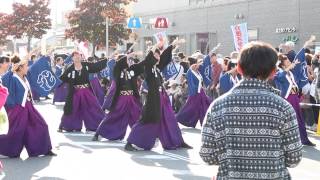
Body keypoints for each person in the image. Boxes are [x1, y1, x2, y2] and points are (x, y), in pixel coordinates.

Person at [200, 42, 302, 179]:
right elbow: (294, 158)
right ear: (273, 72)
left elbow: (207, 155)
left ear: (239, 69)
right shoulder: (283, 107)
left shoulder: (217, 106)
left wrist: (228, 158)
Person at [125, 39, 192, 151]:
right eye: (156, 55)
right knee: (148, 120)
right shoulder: (148, 67)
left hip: (162, 96)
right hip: (153, 98)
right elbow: (148, 60)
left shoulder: (157, 68)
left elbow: (165, 58)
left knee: (170, 119)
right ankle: (130, 142)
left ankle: (178, 141)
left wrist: (172, 45)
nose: (158, 57)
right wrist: (155, 46)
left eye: (158, 55)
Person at [0, 56, 55, 158]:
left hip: (29, 107)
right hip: (18, 108)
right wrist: (11, 70)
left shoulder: (25, 77)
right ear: (20, 68)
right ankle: (4, 150)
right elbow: (3, 80)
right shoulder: (12, 78)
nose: (28, 68)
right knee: (14, 130)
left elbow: (35, 67)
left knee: (41, 125)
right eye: (26, 66)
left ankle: (44, 149)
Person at [93, 54, 144, 141]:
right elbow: (112, 63)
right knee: (113, 116)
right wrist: (127, 55)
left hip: (131, 98)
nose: (129, 62)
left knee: (137, 116)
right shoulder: (117, 71)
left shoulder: (131, 70)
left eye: (129, 60)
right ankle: (98, 133)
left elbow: (141, 65)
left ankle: (140, 137)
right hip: (122, 98)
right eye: (127, 60)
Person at [58, 51, 107, 132]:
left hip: (86, 91)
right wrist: (55, 82)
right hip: (75, 92)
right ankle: (66, 125)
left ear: (81, 57)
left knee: (93, 107)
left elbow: (96, 66)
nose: (77, 57)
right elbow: (62, 78)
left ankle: (98, 125)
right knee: (72, 108)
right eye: (75, 56)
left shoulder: (86, 65)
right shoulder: (70, 68)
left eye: (79, 56)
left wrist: (105, 60)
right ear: (72, 58)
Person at [274, 53, 315, 146]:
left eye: (289, 60)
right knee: (288, 120)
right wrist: (289, 67)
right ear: (282, 63)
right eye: (287, 60)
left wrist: (296, 65)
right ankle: (285, 140)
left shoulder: (290, 73)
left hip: (295, 97)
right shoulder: (279, 72)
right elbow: (279, 77)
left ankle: (304, 139)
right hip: (287, 99)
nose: (289, 61)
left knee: (299, 119)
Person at [176, 58, 211, 128]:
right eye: (198, 63)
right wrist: (194, 91)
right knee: (190, 107)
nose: (199, 65)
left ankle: (205, 122)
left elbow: (200, 80)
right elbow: (191, 83)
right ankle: (178, 118)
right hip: (195, 93)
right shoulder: (190, 72)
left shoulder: (198, 72)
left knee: (204, 105)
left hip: (201, 92)